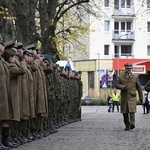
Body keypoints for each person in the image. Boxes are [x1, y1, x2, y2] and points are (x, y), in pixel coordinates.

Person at [115, 62, 143, 131]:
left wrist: (141, 97)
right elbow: (116, 85)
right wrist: (122, 87)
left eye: (130, 68)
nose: (128, 69)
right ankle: (127, 125)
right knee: (125, 112)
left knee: (132, 111)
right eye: (127, 68)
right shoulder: (121, 77)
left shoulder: (135, 77)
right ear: (125, 69)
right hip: (124, 97)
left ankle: (132, 124)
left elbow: (139, 88)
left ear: (131, 69)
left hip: (132, 97)